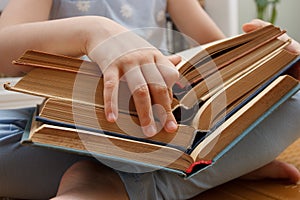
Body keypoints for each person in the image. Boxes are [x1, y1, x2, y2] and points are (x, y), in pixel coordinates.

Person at [0, 0, 299, 199]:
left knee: (294, 94)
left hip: (162, 134)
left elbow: (218, 64)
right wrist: (91, 32)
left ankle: (109, 184)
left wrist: (265, 56)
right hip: (51, 132)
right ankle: (200, 172)